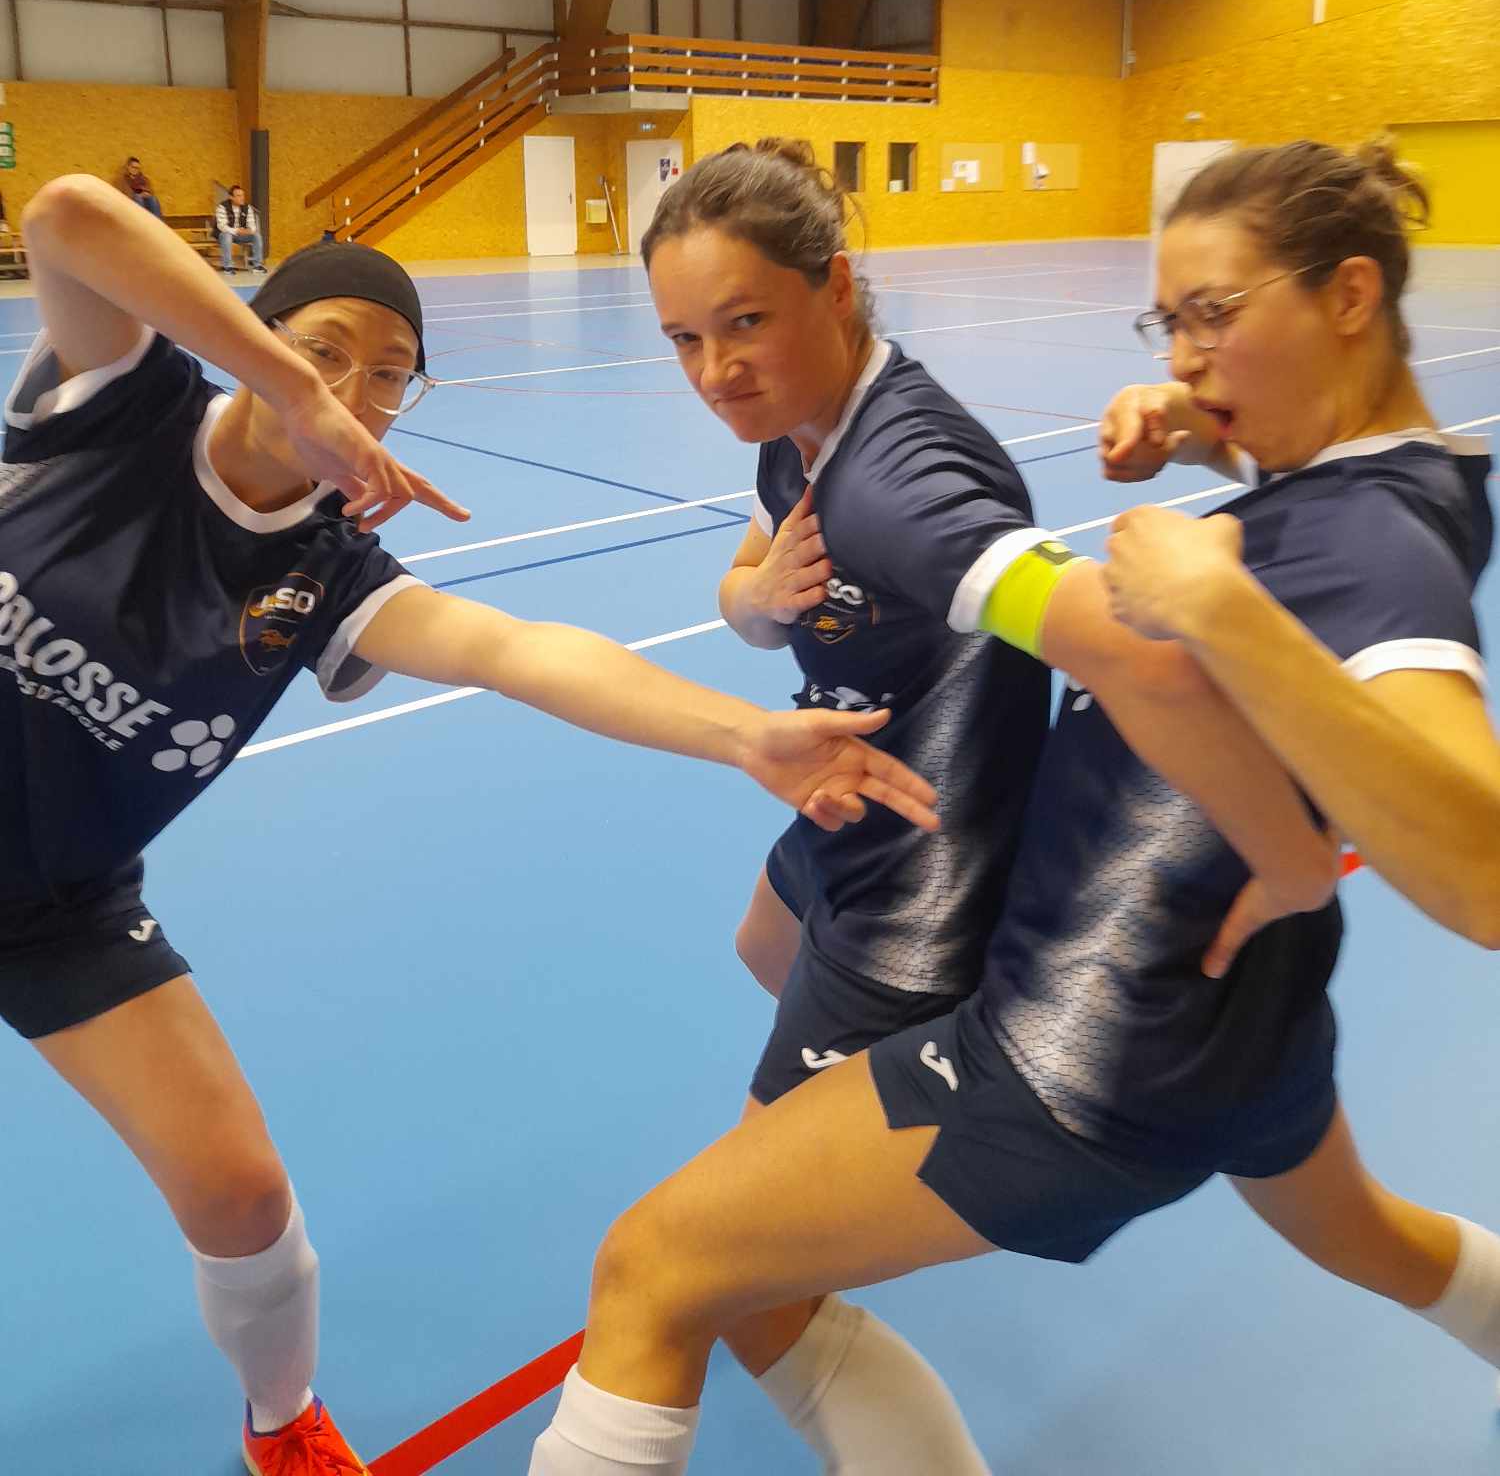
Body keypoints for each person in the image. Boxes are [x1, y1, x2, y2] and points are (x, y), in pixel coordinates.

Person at [527, 140, 1500, 1475]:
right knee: (1368, 1233)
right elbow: (1332, 531)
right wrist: (1203, 428)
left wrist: (1272, 784)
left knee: (662, 1269)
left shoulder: (1365, 540)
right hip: (1245, 1006)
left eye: (1214, 315)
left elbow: (1478, 869)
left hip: (1087, 1039)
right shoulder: (1391, 479)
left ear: (1347, 296)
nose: (1184, 358)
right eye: (1169, 324)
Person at [1, 174, 939, 1476]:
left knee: (243, 1191)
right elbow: (65, 215)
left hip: (58, 903)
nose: (357, 388)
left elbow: (519, 649)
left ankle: (282, 1420)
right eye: (327, 350)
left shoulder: (326, 572)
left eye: (390, 374)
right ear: (260, 339)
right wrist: (294, 385)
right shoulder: (122, 404)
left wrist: (743, 734)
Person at [217, 183, 265, 273]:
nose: (242, 198)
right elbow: (222, 226)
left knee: (256, 235)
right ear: (231, 197)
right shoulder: (222, 207)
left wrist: (248, 231)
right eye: (238, 196)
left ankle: (257, 265)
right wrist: (237, 231)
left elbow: (252, 226)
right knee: (227, 235)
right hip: (225, 234)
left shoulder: (247, 207)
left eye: (243, 195)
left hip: (242, 235)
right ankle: (228, 267)